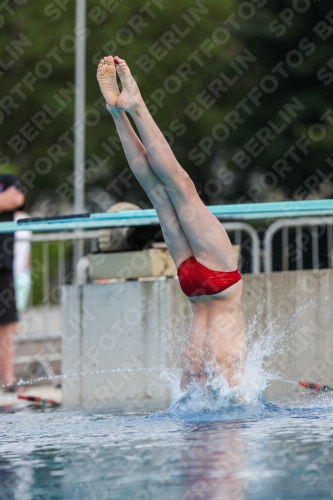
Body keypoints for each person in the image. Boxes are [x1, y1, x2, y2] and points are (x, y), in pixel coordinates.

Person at [96, 56, 247, 390]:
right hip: (203, 284)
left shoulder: (202, 379)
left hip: (203, 286)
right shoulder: (227, 385)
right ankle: (127, 108)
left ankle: (121, 111)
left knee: (168, 190)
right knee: (170, 189)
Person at [0, 175, 25, 392]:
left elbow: (16, 200)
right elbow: (7, 201)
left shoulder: (6, 179)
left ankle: (8, 379)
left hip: (4, 266)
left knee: (8, 325)